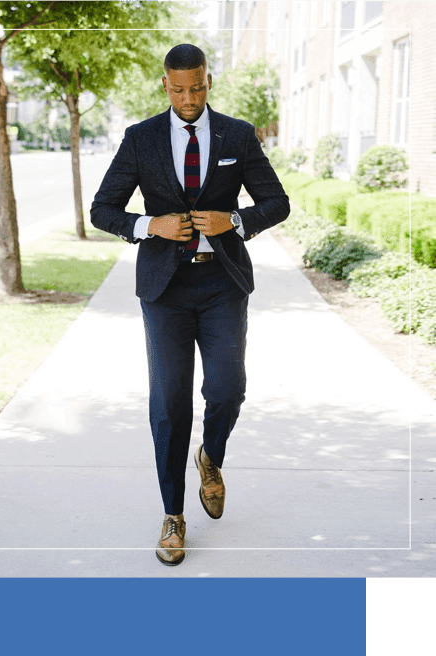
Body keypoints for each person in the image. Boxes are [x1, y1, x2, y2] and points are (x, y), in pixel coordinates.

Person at [91, 44, 289, 566]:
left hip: (222, 283)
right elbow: (102, 209)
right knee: (169, 406)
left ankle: (211, 456)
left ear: (208, 81)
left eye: (196, 87)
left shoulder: (237, 135)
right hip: (165, 290)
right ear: (165, 85)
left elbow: (277, 202)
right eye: (178, 89)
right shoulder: (141, 139)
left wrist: (237, 221)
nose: (188, 98)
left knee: (228, 389)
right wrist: (146, 225)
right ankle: (173, 516)